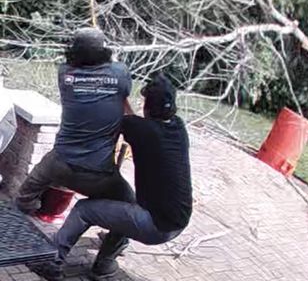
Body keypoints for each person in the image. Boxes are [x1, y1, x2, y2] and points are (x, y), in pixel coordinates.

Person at [33, 73, 193, 281]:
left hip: (155, 225)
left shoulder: (144, 130)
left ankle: (51, 261)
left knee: (83, 210)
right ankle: (103, 266)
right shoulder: (178, 127)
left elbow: (116, 119)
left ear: (147, 107)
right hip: (176, 221)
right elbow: (136, 123)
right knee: (126, 202)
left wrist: (116, 94)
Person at [16, 27, 136, 213]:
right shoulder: (121, 73)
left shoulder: (65, 73)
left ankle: (30, 210)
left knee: (25, 194)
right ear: (105, 51)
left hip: (60, 163)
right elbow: (121, 85)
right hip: (98, 173)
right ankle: (114, 241)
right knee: (130, 204)